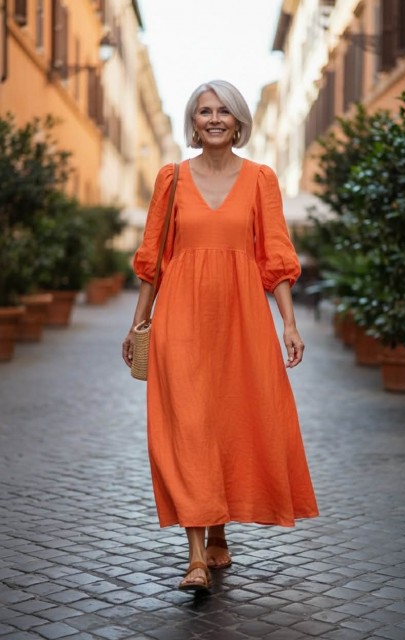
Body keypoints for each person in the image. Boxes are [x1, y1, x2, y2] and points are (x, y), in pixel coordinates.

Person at [122, 80, 318, 592]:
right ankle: (195, 558)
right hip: (179, 320)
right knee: (187, 427)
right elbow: (152, 258)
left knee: (230, 421)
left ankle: (218, 530)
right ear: (193, 121)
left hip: (241, 320)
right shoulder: (171, 178)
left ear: (238, 122)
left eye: (223, 111)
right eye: (204, 111)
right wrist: (139, 321)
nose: (214, 119)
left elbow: (275, 255)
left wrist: (289, 323)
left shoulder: (260, 179)